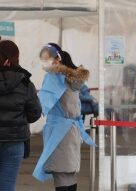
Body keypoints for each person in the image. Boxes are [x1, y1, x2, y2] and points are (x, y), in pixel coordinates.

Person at [0, 40, 42, 191]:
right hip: (14, 140)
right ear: (16, 57)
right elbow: (35, 113)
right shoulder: (25, 82)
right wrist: (20, 119)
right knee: (7, 186)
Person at [32, 43, 95, 191]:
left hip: (58, 131)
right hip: (73, 130)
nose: (44, 62)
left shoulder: (54, 77)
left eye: (47, 58)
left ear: (57, 59)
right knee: (70, 173)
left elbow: (42, 104)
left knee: (60, 175)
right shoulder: (73, 78)